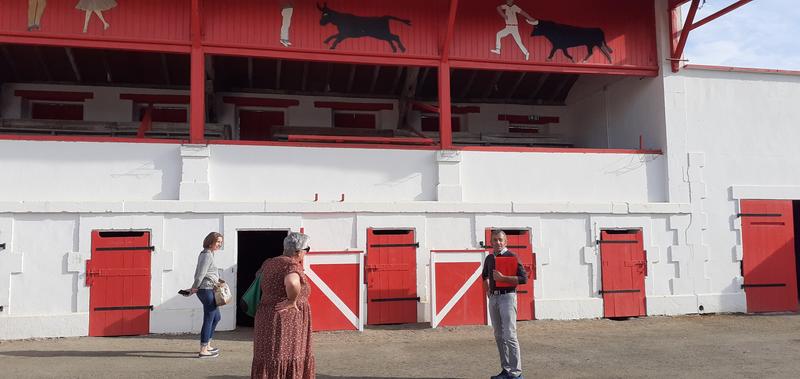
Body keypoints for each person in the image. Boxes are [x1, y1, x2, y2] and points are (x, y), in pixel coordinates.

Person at [251, 232, 315, 379]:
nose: (306, 253)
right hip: (286, 319)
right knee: (286, 353)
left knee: (268, 354)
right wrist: (292, 301)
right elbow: (292, 282)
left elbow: (258, 277)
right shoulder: (291, 265)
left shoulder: (269, 262)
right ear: (298, 251)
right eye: (307, 249)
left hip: (266, 314)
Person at [482, 229, 528, 379]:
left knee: (510, 335)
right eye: (495, 240)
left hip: (508, 297)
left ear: (506, 241)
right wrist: (488, 291)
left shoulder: (512, 256)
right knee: (498, 335)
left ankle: (517, 373)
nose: (498, 242)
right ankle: (506, 370)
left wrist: (503, 278)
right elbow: (484, 276)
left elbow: (523, 279)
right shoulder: (489, 258)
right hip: (494, 299)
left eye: (500, 240)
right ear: (491, 242)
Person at [184, 232, 224, 358]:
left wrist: (218, 280)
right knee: (209, 318)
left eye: (220, 242)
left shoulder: (209, 254)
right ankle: (203, 350)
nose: (219, 244)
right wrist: (194, 288)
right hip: (205, 290)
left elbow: (207, 273)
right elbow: (200, 274)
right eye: (217, 242)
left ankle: (207, 345)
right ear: (210, 241)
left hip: (209, 289)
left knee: (216, 317)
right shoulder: (207, 255)